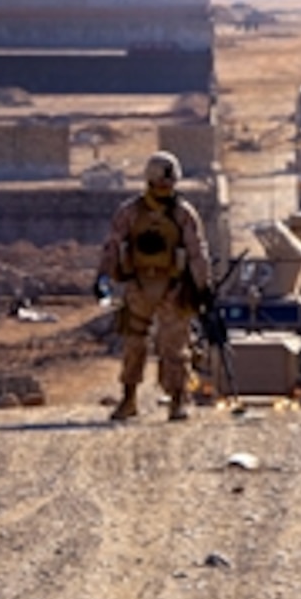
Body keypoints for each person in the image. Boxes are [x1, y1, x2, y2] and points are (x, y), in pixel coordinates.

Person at [95, 150, 213, 422]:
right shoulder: (131, 212)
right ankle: (129, 399)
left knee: (175, 347)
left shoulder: (183, 214)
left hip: (173, 288)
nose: (165, 187)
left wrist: (202, 286)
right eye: (161, 181)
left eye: (169, 182)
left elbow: (197, 252)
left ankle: (177, 399)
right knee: (133, 344)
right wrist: (103, 277)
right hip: (139, 287)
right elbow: (112, 246)